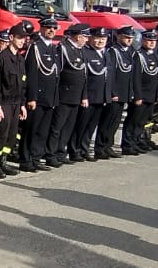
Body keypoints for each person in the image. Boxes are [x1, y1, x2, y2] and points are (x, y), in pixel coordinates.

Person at [0, 23, 28, 179]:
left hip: (16, 103)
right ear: (11, 38)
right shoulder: (1, 58)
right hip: (3, 102)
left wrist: (23, 105)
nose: (22, 41)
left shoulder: (20, 59)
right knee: (0, 134)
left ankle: (3, 162)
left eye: (24, 38)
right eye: (19, 38)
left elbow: (23, 84)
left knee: (11, 135)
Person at [22, 18, 61, 172]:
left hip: (50, 97)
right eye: (48, 28)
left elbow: (55, 74)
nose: (51, 30)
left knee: (43, 131)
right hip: (37, 97)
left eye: (54, 28)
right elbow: (31, 74)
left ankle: (36, 158)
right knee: (31, 129)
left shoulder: (52, 48)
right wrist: (31, 97)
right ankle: (26, 160)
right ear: (42, 29)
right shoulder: (35, 48)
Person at [50, 24, 90, 166]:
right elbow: (58, 73)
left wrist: (83, 96)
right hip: (64, 94)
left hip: (76, 95)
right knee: (57, 127)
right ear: (78, 36)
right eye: (85, 37)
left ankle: (61, 152)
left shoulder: (81, 50)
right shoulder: (63, 48)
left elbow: (84, 75)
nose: (87, 39)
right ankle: (51, 153)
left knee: (68, 127)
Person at [122, 31, 158, 155]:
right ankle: (128, 145)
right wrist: (138, 95)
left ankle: (137, 142)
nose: (152, 43)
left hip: (151, 94)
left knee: (142, 122)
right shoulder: (138, 55)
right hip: (141, 94)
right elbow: (136, 78)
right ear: (143, 41)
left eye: (154, 41)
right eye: (149, 40)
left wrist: (157, 94)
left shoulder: (155, 55)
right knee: (133, 120)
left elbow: (157, 77)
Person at [72, 29, 111, 162]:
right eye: (97, 38)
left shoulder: (106, 54)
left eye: (103, 38)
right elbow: (84, 78)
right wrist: (85, 96)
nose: (100, 41)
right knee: (81, 125)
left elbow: (108, 76)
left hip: (100, 96)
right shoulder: (86, 53)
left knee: (90, 127)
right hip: (89, 96)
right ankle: (75, 150)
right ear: (91, 38)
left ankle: (84, 149)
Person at [97, 29, 134, 159]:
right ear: (118, 37)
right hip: (115, 93)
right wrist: (112, 92)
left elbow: (129, 74)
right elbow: (111, 73)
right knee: (107, 121)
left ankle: (108, 146)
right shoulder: (113, 51)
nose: (129, 40)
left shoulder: (129, 51)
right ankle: (100, 147)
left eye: (131, 37)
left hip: (124, 93)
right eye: (126, 37)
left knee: (115, 122)